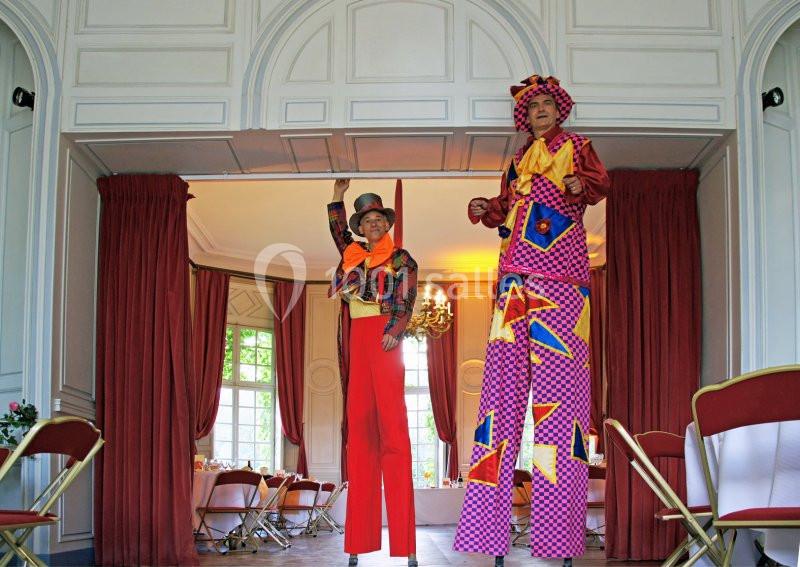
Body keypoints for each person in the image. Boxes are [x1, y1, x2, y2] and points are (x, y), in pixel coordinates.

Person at [453, 75, 610, 567]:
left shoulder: (577, 146)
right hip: (513, 281)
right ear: (525, 116)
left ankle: (559, 543)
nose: (539, 109)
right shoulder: (519, 159)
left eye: (546, 103)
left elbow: (600, 184)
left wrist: (580, 185)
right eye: (532, 105)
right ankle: (487, 536)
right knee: (497, 402)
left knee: (560, 409)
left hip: (561, 281)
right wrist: (486, 207)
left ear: (558, 110)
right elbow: (504, 207)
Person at [327, 179, 418, 567]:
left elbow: (407, 296)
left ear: (387, 223)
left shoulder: (400, 258)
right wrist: (337, 197)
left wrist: (395, 330)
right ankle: (358, 542)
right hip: (358, 336)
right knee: (361, 435)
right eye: (368, 220)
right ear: (361, 227)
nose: (374, 224)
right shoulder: (352, 252)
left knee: (393, 434)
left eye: (379, 218)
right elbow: (337, 231)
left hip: (384, 336)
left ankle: (406, 544)